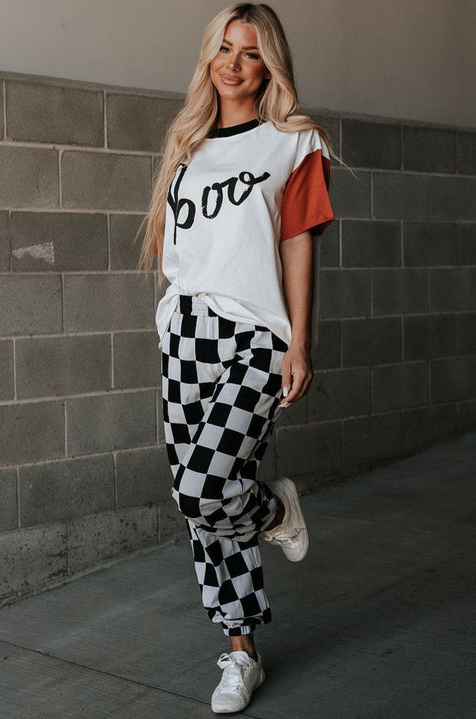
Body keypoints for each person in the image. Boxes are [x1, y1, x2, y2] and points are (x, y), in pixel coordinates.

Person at [138, 3, 334, 713]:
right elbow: (178, 247)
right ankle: (240, 652)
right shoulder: (186, 142)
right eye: (224, 48)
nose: (233, 63)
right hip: (186, 332)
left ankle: (274, 508)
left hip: (256, 334)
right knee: (204, 507)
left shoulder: (294, 142)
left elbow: (297, 242)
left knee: (202, 489)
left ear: (268, 65)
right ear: (209, 56)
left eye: (250, 52)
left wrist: (300, 341)